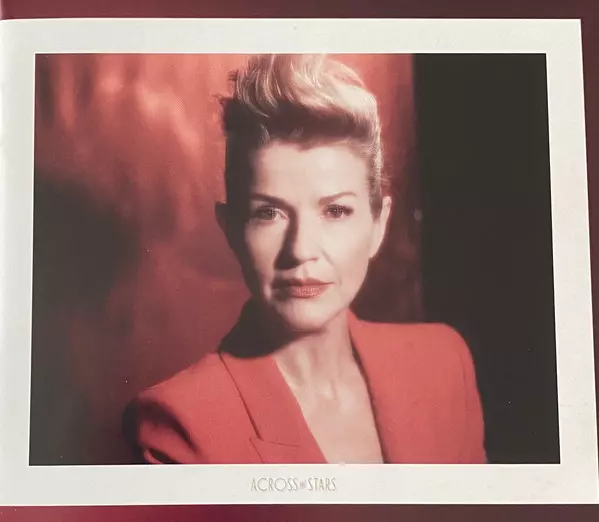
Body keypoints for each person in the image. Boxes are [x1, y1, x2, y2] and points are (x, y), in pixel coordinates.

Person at [123, 54, 486, 464]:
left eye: (335, 211)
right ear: (231, 230)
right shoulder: (181, 424)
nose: (300, 250)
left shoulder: (443, 364)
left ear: (378, 224)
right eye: (268, 213)